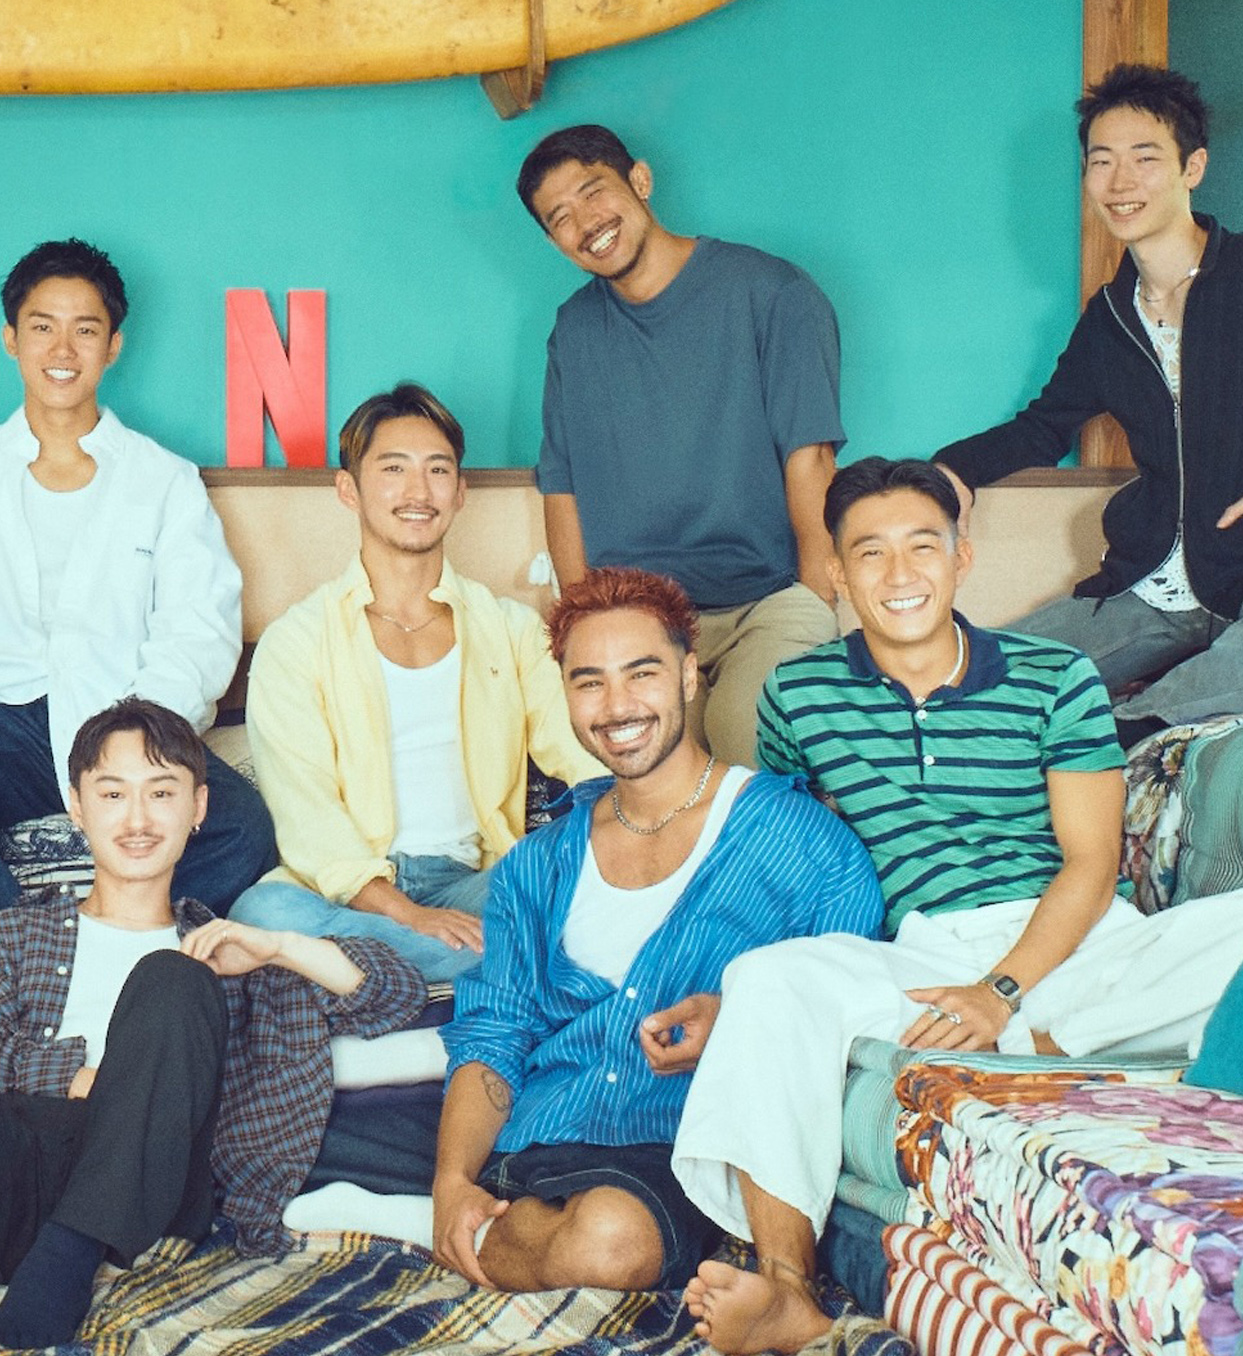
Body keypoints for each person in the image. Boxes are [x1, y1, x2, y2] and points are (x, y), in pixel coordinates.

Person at [672, 458, 1243, 1355]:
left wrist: (1000, 993)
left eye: (923, 546)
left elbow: (1090, 866)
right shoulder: (797, 696)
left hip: (1073, 941)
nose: (900, 573)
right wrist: (733, 999)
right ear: (836, 573)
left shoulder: (1056, 676)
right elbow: (796, 860)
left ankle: (1033, 1042)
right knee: (766, 977)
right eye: (870, 553)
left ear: (962, 556)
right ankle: (786, 1291)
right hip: (921, 951)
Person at [0, 698, 425, 1356]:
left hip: (148, 1198)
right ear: (77, 808)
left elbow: (394, 995)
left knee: (173, 976)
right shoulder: (12, 935)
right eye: (113, 794)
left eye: (161, 793)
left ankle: (66, 1262)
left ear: (198, 808)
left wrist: (279, 945)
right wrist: (80, 1074)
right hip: (8, 1179)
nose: (137, 819)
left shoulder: (226, 953)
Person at [430, 567, 882, 1295]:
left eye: (642, 673)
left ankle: (498, 1236)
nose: (617, 706)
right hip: (541, 1134)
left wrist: (734, 1023)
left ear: (689, 676)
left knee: (610, 1239)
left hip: (677, 1146)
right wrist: (451, 1184)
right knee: (574, 1223)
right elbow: (495, 1034)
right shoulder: (536, 865)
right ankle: (470, 1221)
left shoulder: (803, 843)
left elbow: (848, 1005)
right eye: (589, 682)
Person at [934, 64, 1243, 741]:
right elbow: (1043, 427)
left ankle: (1134, 727)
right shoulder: (1110, 319)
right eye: (1102, 162)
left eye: (1144, 158)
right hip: (1148, 587)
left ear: (1192, 167)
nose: (1120, 182)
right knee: (979, 678)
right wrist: (950, 468)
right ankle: (1117, 718)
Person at [0, 237, 277, 946]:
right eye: (42, 326)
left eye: (85, 330)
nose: (62, 349)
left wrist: (140, 744)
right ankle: (9, 950)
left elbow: (198, 627)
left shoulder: (163, 480)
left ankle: (119, 945)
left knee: (244, 826)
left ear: (113, 346)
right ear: (11, 338)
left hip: (120, 722)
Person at [233, 383, 604, 982]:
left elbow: (582, 749)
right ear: (348, 489)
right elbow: (308, 818)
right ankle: (507, 962)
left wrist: (625, 829)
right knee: (263, 912)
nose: (418, 491)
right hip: (345, 896)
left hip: (473, 883)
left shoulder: (510, 629)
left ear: (460, 492)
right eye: (393, 469)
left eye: (437, 470)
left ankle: (384, 968)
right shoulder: (296, 642)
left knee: (581, 872)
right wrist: (409, 916)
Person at [518, 123, 845, 767]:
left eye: (593, 192)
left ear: (640, 180)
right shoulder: (574, 330)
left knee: (744, 736)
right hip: (638, 616)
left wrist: (816, 600)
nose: (586, 222)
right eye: (560, 218)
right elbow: (561, 486)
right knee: (646, 767)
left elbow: (810, 456)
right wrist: (580, 628)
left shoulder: (773, 293)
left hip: (767, 599)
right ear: (555, 243)